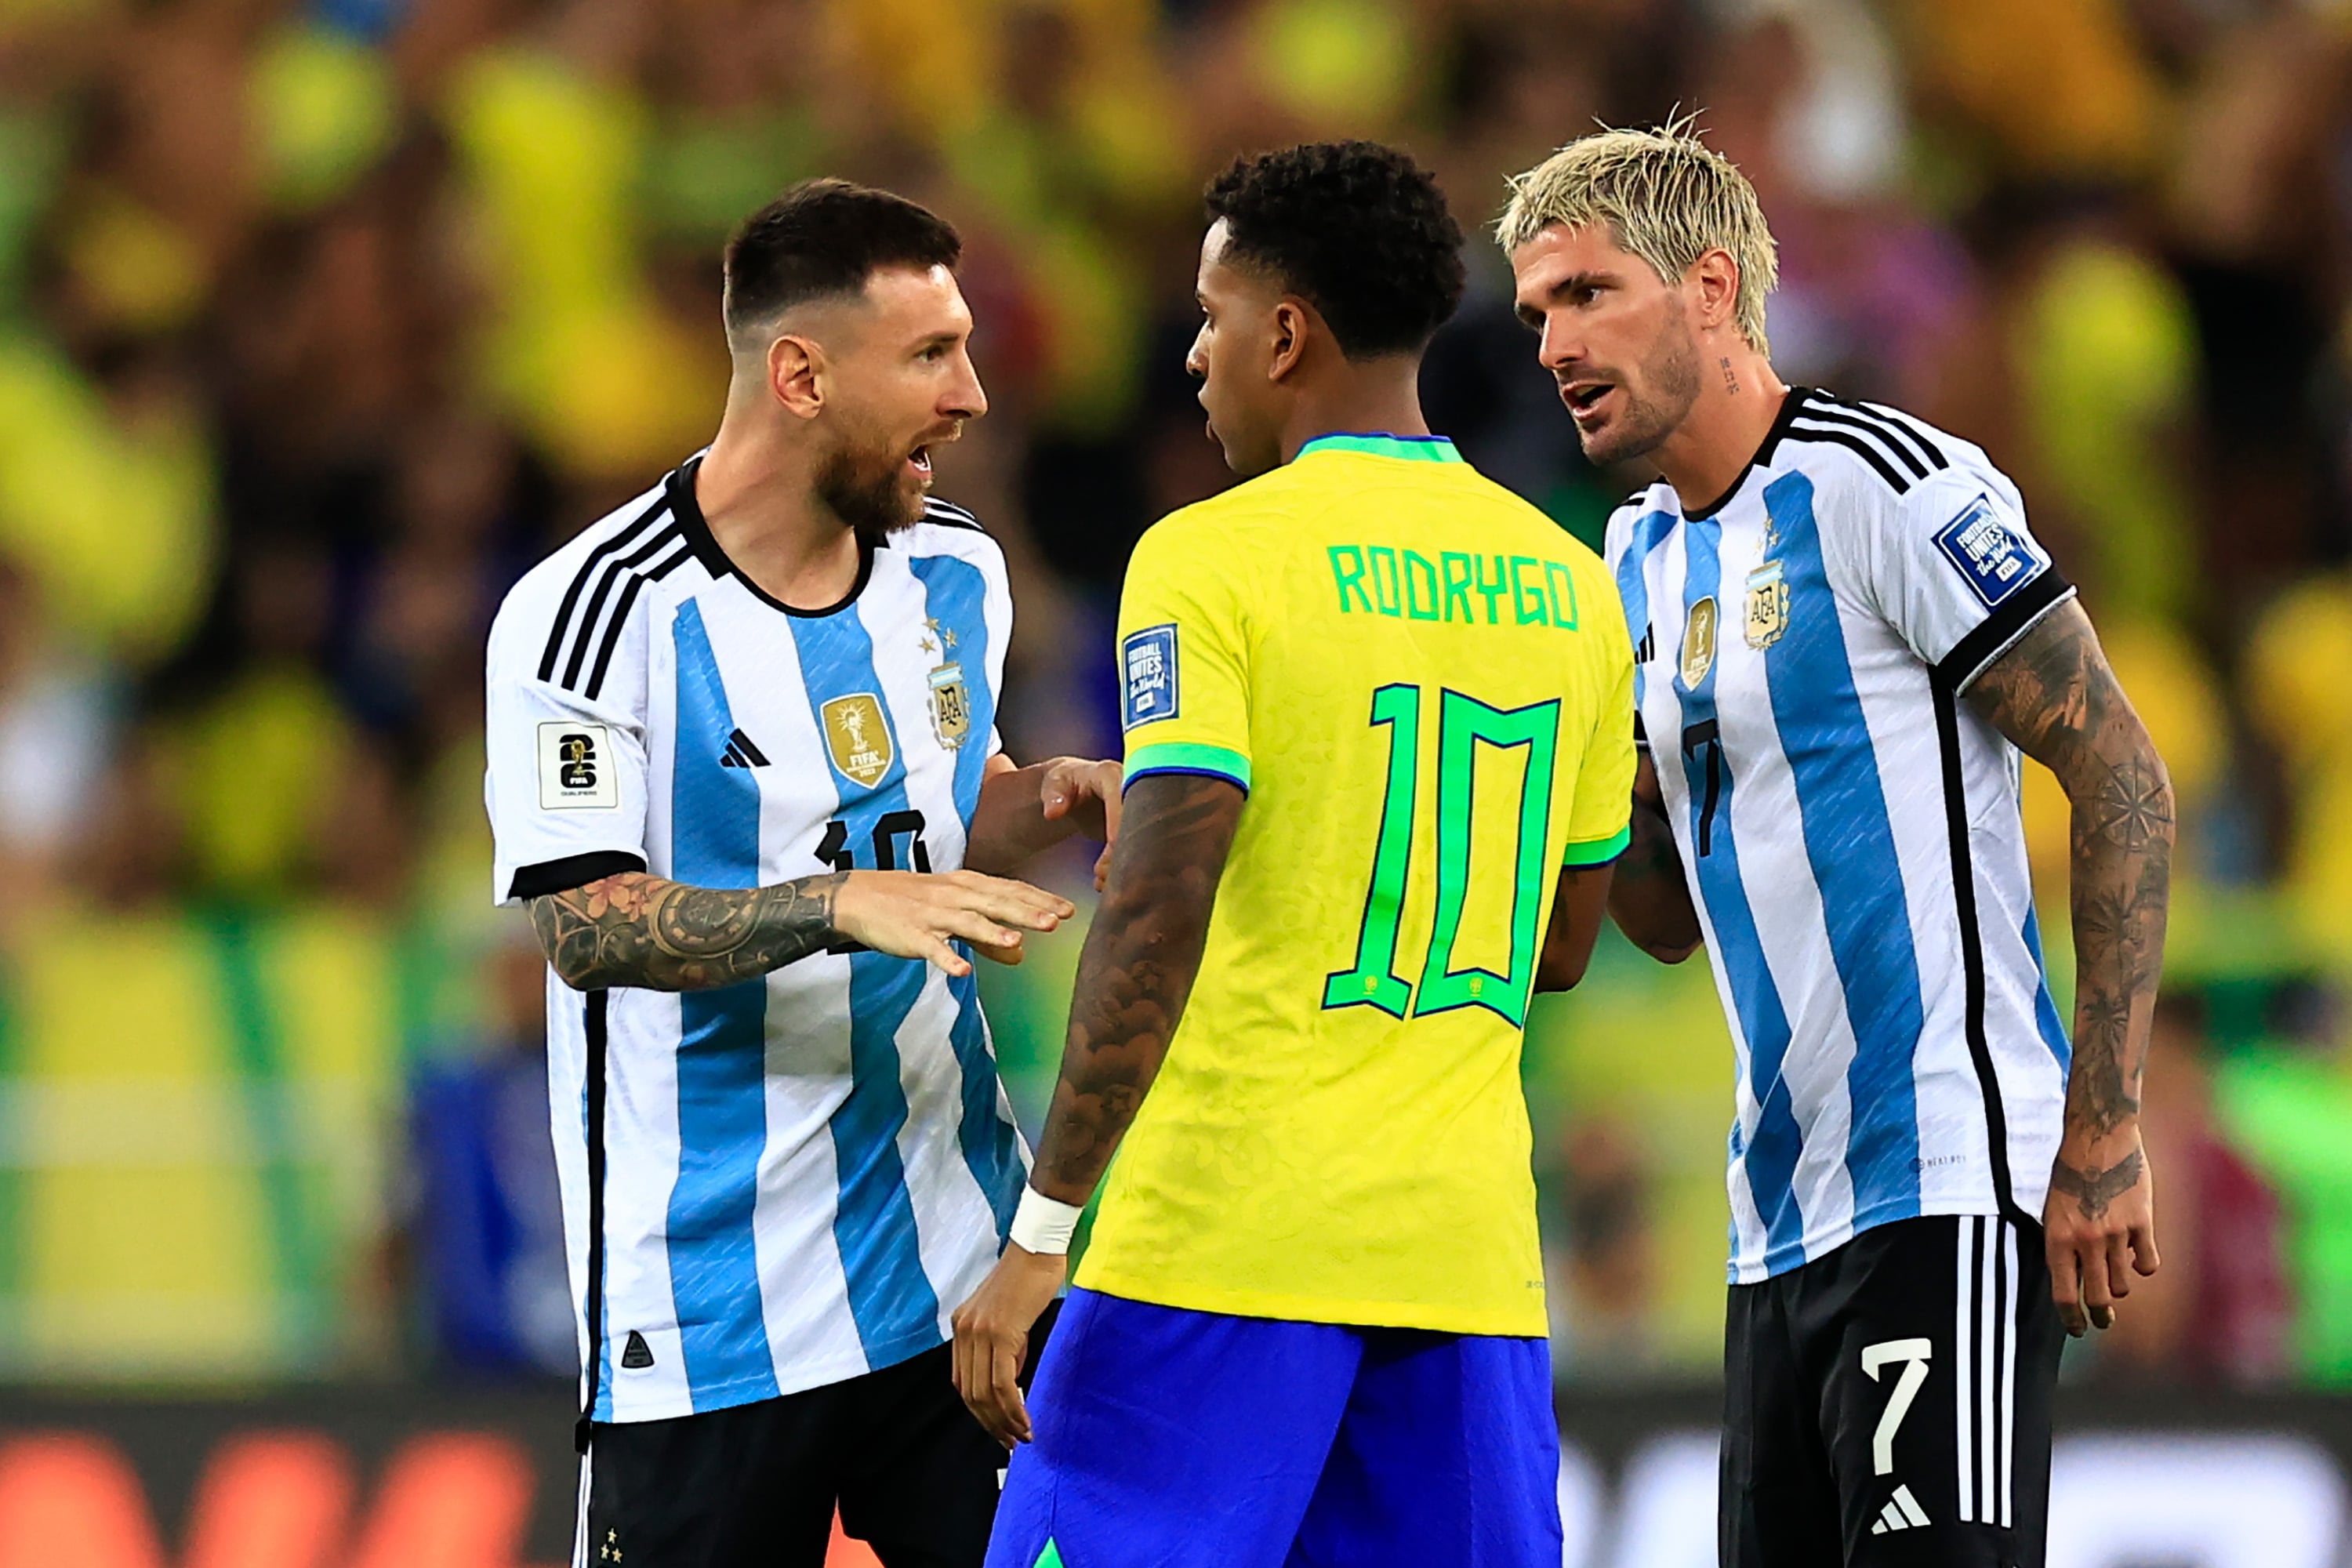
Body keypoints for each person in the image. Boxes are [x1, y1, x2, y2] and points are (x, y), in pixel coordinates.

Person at [951, 140, 1637, 1568]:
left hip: (1220, 1246)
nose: (1195, 358)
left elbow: (1153, 907)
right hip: (1462, 1265)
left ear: (1284, 332)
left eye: (1210, 319)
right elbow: (1558, 947)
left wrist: (1040, 1232)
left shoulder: (1213, 559)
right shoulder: (1573, 584)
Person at [1498, 123, 2171, 1567]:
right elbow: (1664, 923)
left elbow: (2118, 772)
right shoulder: (1634, 559)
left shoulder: (1880, 483)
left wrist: (2103, 1126)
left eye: (1589, 294)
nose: (1553, 343)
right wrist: (1603, 769)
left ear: (1713, 289)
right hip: (1772, 1217)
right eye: (1538, 311)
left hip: (1943, 1175)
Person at [481, 179, 1121, 1568]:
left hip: (957, 1271)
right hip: (705, 1310)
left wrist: (1048, 802)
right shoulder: (594, 614)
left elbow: (937, 822)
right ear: (800, 373)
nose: (972, 398)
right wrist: (838, 908)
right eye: (932, 358)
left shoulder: (957, 571)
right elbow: (586, 925)